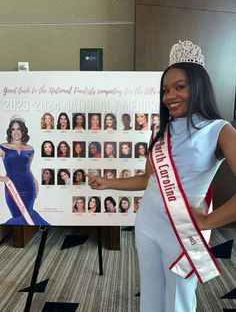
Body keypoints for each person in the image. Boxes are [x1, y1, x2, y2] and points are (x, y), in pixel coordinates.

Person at [88, 40, 236, 312]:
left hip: (183, 227)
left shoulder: (220, 130)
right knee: (152, 293)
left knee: (178, 299)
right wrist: (107, 183)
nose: (170, 96)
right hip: (147, 219)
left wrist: (208, 221)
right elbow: (148, 180)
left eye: (180, 87)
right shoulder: (162, 130)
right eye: (166, 90)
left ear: (198, 85)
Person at [0, 115, 49, 225]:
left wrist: (35, 181)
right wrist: (2, 178)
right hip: (12, 186)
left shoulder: (30, 149)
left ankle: (35, 239)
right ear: (10, 131)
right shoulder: (3, 147)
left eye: (19, 129)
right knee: (18, 216)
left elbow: (27, 168)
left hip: (29, 187)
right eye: (13, 129)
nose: (16, 132)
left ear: (23, 131)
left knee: (29, 215)